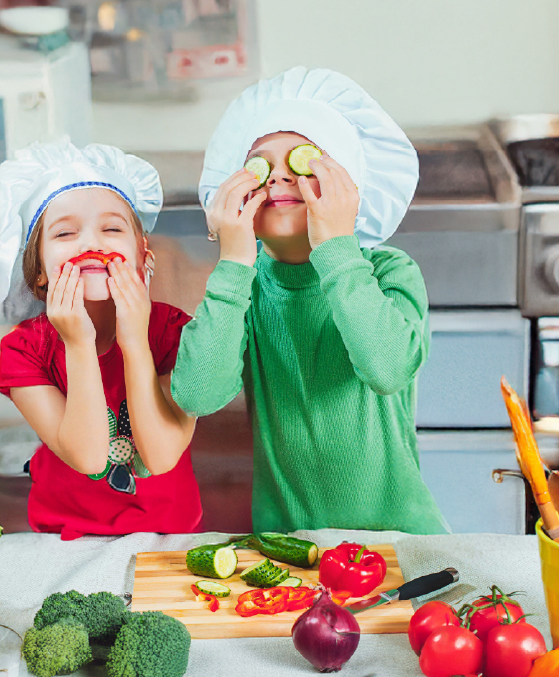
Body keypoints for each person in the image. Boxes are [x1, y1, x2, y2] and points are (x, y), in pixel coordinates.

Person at [171, 67, 448, 535]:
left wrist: (336, 244)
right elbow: (198, 394)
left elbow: (387, 370)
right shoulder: (240, 286)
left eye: (303, 163)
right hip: (288, 541)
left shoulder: (388, 272)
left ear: (349, 187)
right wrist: (234, 259)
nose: (279, 174)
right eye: (259, 166)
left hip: (401, 539)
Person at [0, 138, 202, 540]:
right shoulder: (23, 350)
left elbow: (160, 456)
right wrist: (79, 344)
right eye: (65, 233)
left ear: (144, 255)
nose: (91, 244)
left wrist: (134, 341)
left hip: (169, 533)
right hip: (64, 536)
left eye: (112, 228)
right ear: (39, 271)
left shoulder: (177, 333)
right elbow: (88, 457)